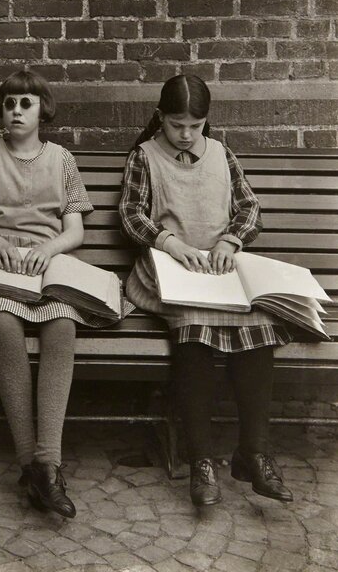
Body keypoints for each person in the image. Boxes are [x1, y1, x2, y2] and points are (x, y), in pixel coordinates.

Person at [0, 69, 129, 519]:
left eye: (26, 104)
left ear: (42, 111)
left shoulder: (62, 160)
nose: (16, 111)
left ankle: (48, 463)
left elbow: (75, 229)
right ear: (1, 109)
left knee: (61, 327)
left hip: (48, 266)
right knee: (2, 325)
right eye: (10, 103)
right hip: (1, 267)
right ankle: (30, 463)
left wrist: (46, 248)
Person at [119, 74, 294, 508]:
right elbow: (131, 214)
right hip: (166, 270)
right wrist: (170, 243)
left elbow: (249, 207)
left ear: (205, 123)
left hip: (216, 269)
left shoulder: (221, 154)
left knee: (258, 324)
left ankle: (252, 453)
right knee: (193, 329)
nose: (186, 134)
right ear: (161, 118)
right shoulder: (145, 156)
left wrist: (229, 241)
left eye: (195, 126)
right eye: (177, 125)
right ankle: (201, 460)